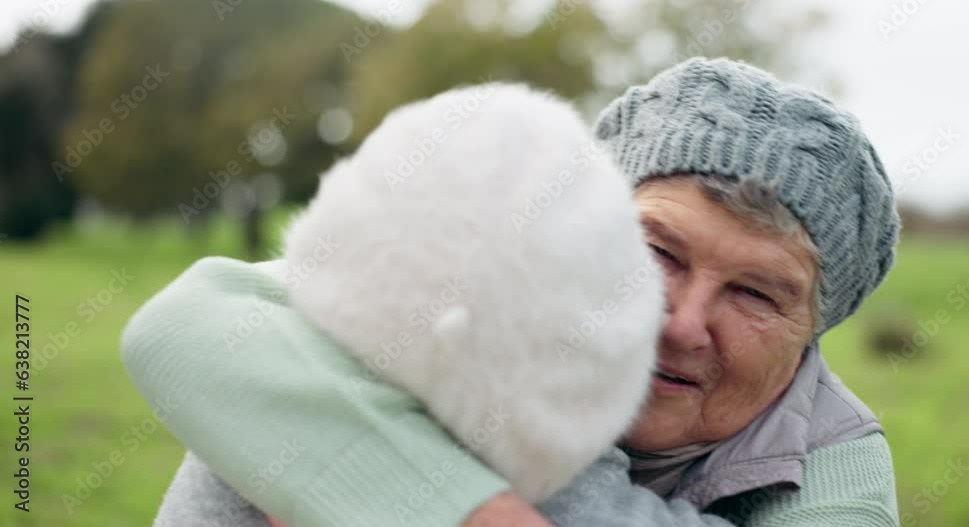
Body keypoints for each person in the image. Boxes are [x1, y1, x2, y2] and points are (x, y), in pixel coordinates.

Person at [122, 57, 900, 526]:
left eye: (758, 294)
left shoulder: (833, 462)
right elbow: (190, 323)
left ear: (814, 332)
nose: (683, 323)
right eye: (656, 249)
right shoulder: (455, 295)